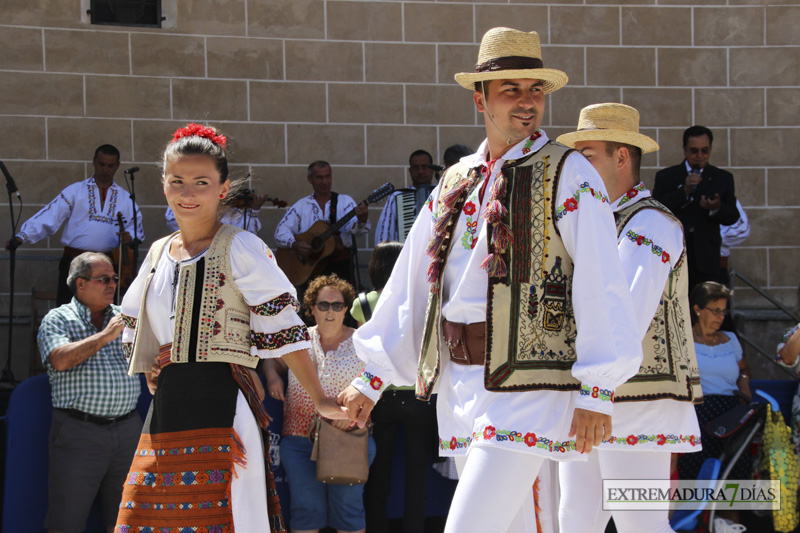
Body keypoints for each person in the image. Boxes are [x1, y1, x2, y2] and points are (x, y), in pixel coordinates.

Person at [338, 27, 644, 532]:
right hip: (461, 382)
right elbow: (415, 282)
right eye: (511, 90)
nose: (527, 103)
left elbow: (601, 280)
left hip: (529, 383)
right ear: (480, 98)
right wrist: (373, 376)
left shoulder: (567, 172)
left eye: (535, 91)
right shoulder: (457, 178)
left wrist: (597, 391)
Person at [115, 123, 345, 533]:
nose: (188, 193)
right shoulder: (156, 254)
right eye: (177, 182)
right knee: (147, 516)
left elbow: (285, 332)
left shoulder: (240, 247)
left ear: (222, 188)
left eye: (201, 182)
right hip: (168, 406)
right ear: (164, 186)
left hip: (221, 401)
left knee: (228, 514)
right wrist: (154, 365)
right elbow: (138, 323)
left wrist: (320, 398)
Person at [556, 103, 703, 533]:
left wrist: (595, 391)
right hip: (596, 396)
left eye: (587, 155)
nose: (577, 167)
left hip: (635, 400)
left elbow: (625, 314)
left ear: (622, 157)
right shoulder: (603, 220)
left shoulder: (649, 223)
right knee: (576, 519)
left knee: (641, 524)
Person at [37, 252, 142, 533]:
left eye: (114, 279)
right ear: (81, 283)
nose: (112, 284)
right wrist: (106, 335)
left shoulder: (125, 317)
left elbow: (148, 357)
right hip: (79, 432)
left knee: (126, 520)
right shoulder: (58, 319)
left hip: (128, 430)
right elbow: (59, 359)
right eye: (104, 279)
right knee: (66, 521)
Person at [264, 274, 376, 533]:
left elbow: (378, 385)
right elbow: (273, 359)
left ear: (346, 309)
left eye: (337, 305)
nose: (330, 311)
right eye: (323, 305)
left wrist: (352, 414)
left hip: (347, 438)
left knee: (349, 512)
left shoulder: (363, 343)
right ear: (311, 308)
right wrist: (271, 374)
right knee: (305, 512)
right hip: (299, 439)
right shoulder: (298, 340)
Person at [349, 242, 439, 533]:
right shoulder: (420, 300)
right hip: (418, 396)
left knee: (379, 473)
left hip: (379, 397)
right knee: (417, 474)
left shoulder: (362, 304)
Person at [6, 145, 145, 305]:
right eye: (101, 164)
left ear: (117, 166)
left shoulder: (125, 198)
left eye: (110, 166)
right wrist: (22, 236)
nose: (105, 169)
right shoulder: (75, 191)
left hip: (105, 264)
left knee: (104, 314)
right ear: (94, 162)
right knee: (68, 310)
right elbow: (51, 214)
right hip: (74, 261)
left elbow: (136, 230)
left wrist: (130, 237)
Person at [678, 282, 751, 481]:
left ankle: (729, 513)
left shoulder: (731, 339)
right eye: (716, 311)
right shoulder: (682, 341)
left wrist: (744, 384)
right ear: (698, 310)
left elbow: (744, 369)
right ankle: (697, 513)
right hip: (697, 414)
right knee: (695, 473)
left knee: (732, 474)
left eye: (723, 312)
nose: (721, 317)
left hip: (730, 415)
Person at [653, 126, 739, 291]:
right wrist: (683, 191)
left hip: (707, 255)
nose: (699, 156)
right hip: (676, 252)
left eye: (704, 151)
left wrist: (716, 208)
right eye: (694, 151)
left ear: (711, 149)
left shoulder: (722, 178)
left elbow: (732, 216)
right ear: (684, 150)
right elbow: (658, 210)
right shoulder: (667, 177)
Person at [274, 161, 370, 287]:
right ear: (310, 179)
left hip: (341, 268)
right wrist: (295, 244)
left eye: (328, 176)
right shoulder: (302, 206)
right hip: (310, 270)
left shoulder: (345, 202)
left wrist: (362, 220)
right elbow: (280, 231)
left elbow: (356, 230)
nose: (325, 181)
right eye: (319, 177)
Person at [374, 149, 437, 245]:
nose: (420, 171)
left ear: (433, 170)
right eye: (416, 168)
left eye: (424, 167)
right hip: (407, 256)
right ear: (410, 171)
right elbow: (384, 235)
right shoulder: (397, 197)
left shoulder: (442, 195)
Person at [164, 189, 270, 234]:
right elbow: (172, 221)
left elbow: (248, 233)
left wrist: (255, 210)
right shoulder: (196, 205)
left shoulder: (234, 213)